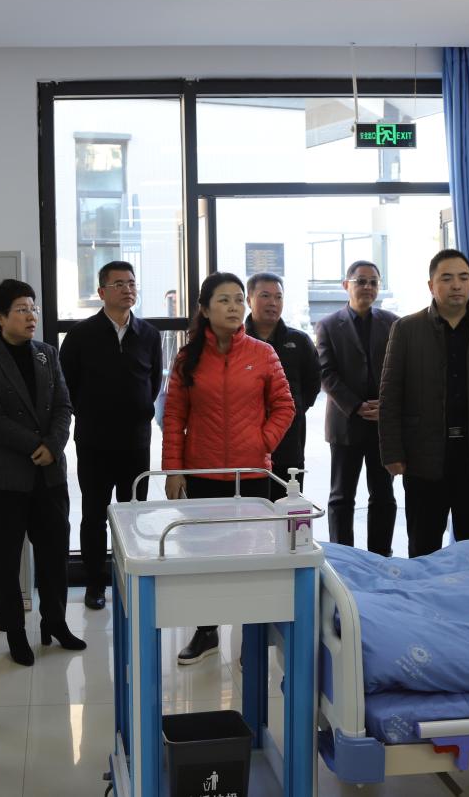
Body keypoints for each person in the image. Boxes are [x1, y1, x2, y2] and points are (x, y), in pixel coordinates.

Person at [162, 272, 295, 664]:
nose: (234, 307)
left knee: (252, 558)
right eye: (224, 300)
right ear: (204, 309)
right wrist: (173, 470)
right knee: (203, 557)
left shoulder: (262, 353)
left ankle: (251, 637)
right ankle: (206, 632)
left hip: (251, 475)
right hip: (201, 473)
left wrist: (261, 442)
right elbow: (174, 417)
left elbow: (285, 406)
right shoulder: (187, 358)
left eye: (238, 299)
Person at [0, 279, 85, 666]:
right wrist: (36, 446)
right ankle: (15, 633)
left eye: (33, 308)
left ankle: (56, 622)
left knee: (54, 554)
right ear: (0, 318)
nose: (31, 315)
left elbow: (64, 405)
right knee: (5, 560)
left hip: (49, 476)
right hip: (4, 478)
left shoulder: (47, 354)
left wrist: (54, 445)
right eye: (21, 309)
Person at [379, 249, 469, 558]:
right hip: (423, 457)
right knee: (423, 547)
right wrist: (392, 452)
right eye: (446, 278)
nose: (456, 284)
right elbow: (390, 397)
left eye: (463, 277)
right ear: (431, 285)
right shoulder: (406, 329)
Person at [59, 261, 162, 610]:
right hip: (94, 442)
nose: (127, 289)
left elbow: (152, 385)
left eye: (131, 283)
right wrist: (92, 414)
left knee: (134, 514)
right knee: (94, 515)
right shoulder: (80, 335)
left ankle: (131, 578)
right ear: (102, 292)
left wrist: (137, 412)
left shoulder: (149, 334)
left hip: (136, 442)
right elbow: (66, 386)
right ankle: (95, 583)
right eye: (119, 284)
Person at [314, 261, 399, 556]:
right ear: (346, 285)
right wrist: (356, 406)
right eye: (361, 281)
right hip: (345, 423)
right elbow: (326, 374)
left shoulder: (393, 323)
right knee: (341, 496)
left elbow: (401, 371)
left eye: (374, 282)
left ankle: (380, 557)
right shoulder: (327, 325)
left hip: (382, 423)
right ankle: (343, 559)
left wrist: (386, 405)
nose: (367, 287)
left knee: (384, 495)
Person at [244, 272, 320, 498]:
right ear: (249, 300)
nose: (273, 303)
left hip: (289, 442)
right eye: (265, 296)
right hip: (247, 442)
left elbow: (312, 385)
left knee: (288, 507)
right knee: (250, 509)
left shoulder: (299, 341)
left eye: (278, 297)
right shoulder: (238, 341)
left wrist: (292, 411)